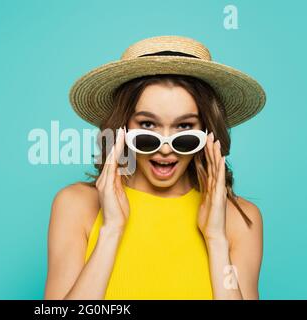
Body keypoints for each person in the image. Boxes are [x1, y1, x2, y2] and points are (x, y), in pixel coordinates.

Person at [44, 35, 265, 300]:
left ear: (207, 132)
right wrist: (111, 230)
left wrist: (216, 239)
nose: (165, 147)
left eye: (184, 127)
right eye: (148, 125)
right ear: (122, 128)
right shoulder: (76, 205)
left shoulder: (240, 220)